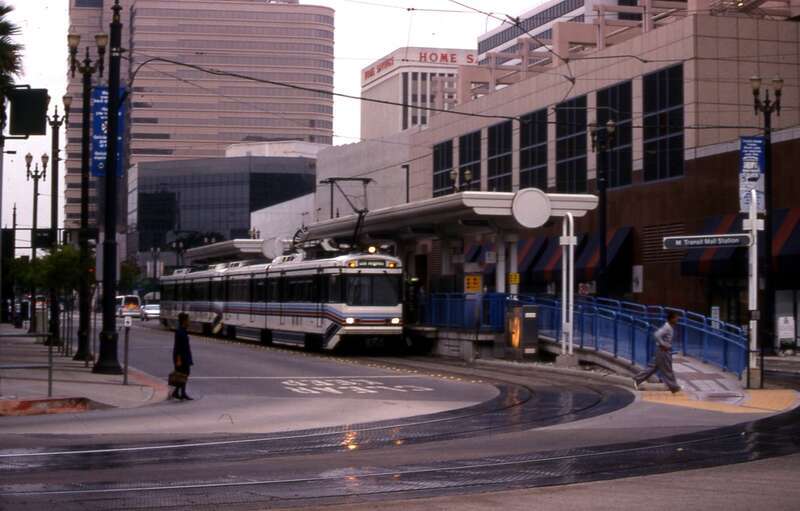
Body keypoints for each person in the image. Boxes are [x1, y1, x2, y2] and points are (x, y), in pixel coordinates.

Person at [633, 311, 681, 393]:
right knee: (667, 369)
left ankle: (637, 379)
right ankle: (674, 387)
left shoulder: (669, 327)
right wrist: (663, 344)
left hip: (661, 350)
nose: (677, 319)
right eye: (676, 318)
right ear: (671, 319)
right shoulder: (667, 327)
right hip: (663, 351)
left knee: (653, 367)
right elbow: (656, 335)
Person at [172, 312, 194, 400]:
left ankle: (179, 392)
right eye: (188, 320)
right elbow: (178, 347)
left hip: (185, 356)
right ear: (184, 321)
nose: (189, 321)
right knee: (183, 374)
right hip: (181, 357)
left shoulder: (183, 330)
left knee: (184, 374)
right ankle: (179, 392)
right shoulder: (180, 332)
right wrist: (178, 359)